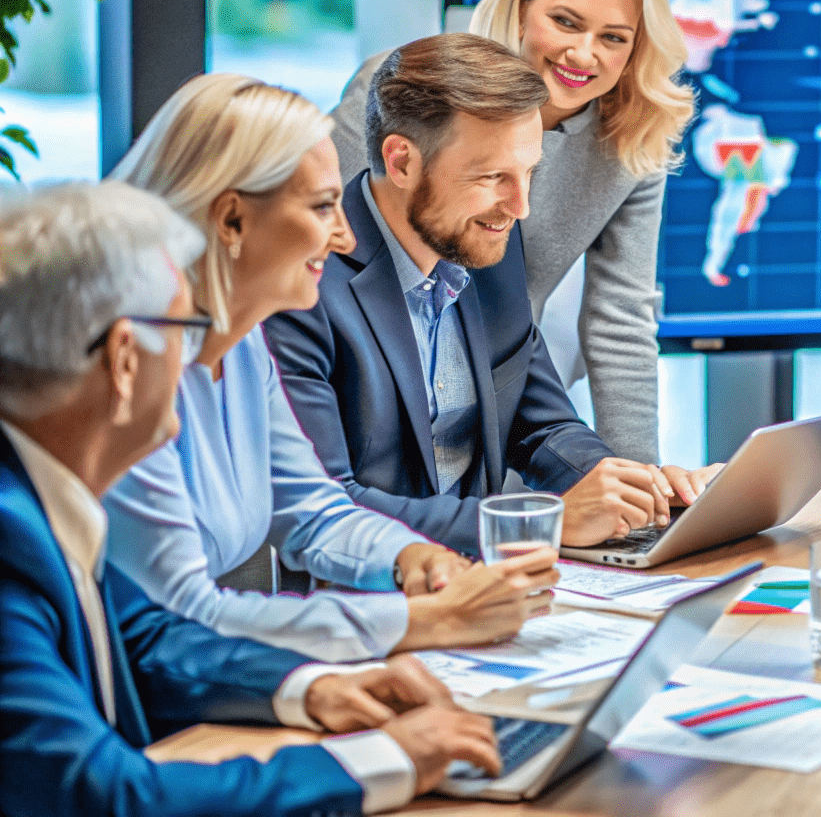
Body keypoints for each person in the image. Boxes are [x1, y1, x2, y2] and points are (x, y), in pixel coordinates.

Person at [0, 181, 503, 817]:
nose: (200, 351)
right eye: (183, 327)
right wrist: (379, 759)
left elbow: (150, 640)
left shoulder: (36, 498)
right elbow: (102, 797)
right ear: (125, 360)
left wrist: (314, 687)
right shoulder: (10, 538)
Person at [104, 74, 560, 661]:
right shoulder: (127, 370)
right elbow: (180, 614)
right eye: (324, 207)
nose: (345, 234)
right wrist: (418, 620)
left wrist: (410, 559)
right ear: (231, 221)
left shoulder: (241, 349)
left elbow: (315, 511)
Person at [267, 33, 712, 555]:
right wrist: (538, 522)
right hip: (370, 595)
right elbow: (326, 506)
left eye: (527, 173)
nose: (519, 207)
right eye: (492, 177)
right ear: (402, 162)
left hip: (489, 583)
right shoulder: (301, 286)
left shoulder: (484, 245)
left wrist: (636, 489)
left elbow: (541, 424)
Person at [329, 0, 692, 465]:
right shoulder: (407, 91)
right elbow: (312, 243)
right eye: (565, 22)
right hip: (366, 405)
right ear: (521, 6)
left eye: (613, 37)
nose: (583, 54)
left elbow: (621, 323)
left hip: (503, 407)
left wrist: (641, 495)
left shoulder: (632, 139)